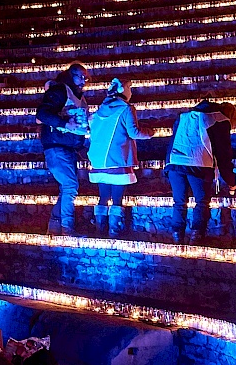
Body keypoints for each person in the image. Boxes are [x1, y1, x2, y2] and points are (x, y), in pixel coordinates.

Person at [165, 99, 236, 243]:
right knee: (202, 201)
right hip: (198, 163)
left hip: (174, 161)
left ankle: (177, 237)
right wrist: (231, 181)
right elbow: (224, 155)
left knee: (179, 201)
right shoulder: (219, 120)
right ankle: (197, 236)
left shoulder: (184, 116)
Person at [87, 78, 153, 236]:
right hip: (117, 158)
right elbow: (134, 132)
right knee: (117, 198)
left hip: (98, 160)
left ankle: (99, 228)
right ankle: (114, 229)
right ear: (123, 91)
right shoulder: (126, 109)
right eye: (130, 88)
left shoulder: (101, 109)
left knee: (103, 197)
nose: (131, 92)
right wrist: (150, 132)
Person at [37, 63, 90, 236]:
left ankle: (54, 227)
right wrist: (65, 123)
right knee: (70, 185)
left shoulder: (80, 98)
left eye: (85, 77)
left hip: (69, 148)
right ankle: (67, 228)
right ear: (70, 75)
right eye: (80, 76)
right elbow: (42, 114)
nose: (83, 81)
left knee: (66, 187)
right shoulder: (60, 91)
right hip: (57, 146)